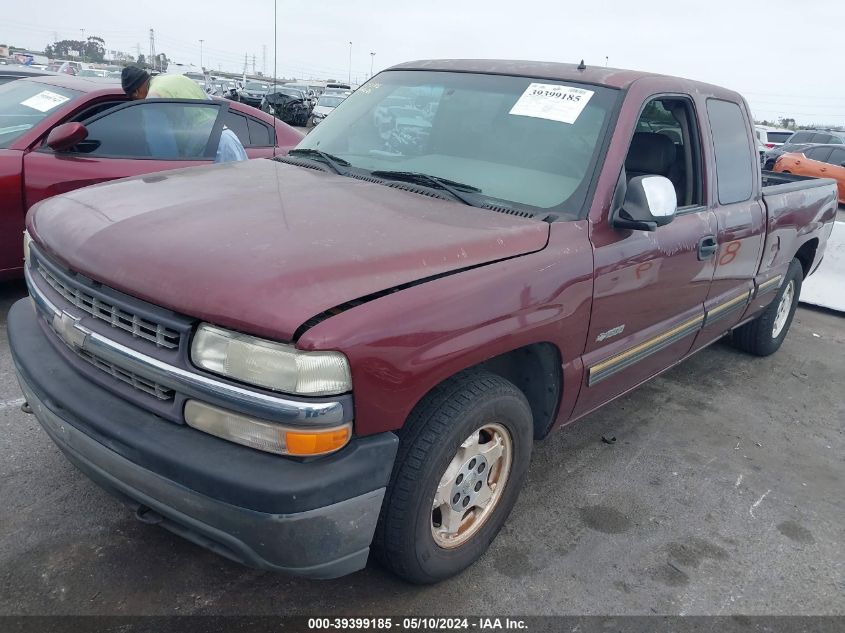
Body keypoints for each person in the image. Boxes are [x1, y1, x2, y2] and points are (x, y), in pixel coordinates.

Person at [121, 66, 247, 163]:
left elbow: (163, 150)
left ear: (136, 92)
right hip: (229, 139)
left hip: (213, 151)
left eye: (134, 100)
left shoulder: (153, 98)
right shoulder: (178, 79)